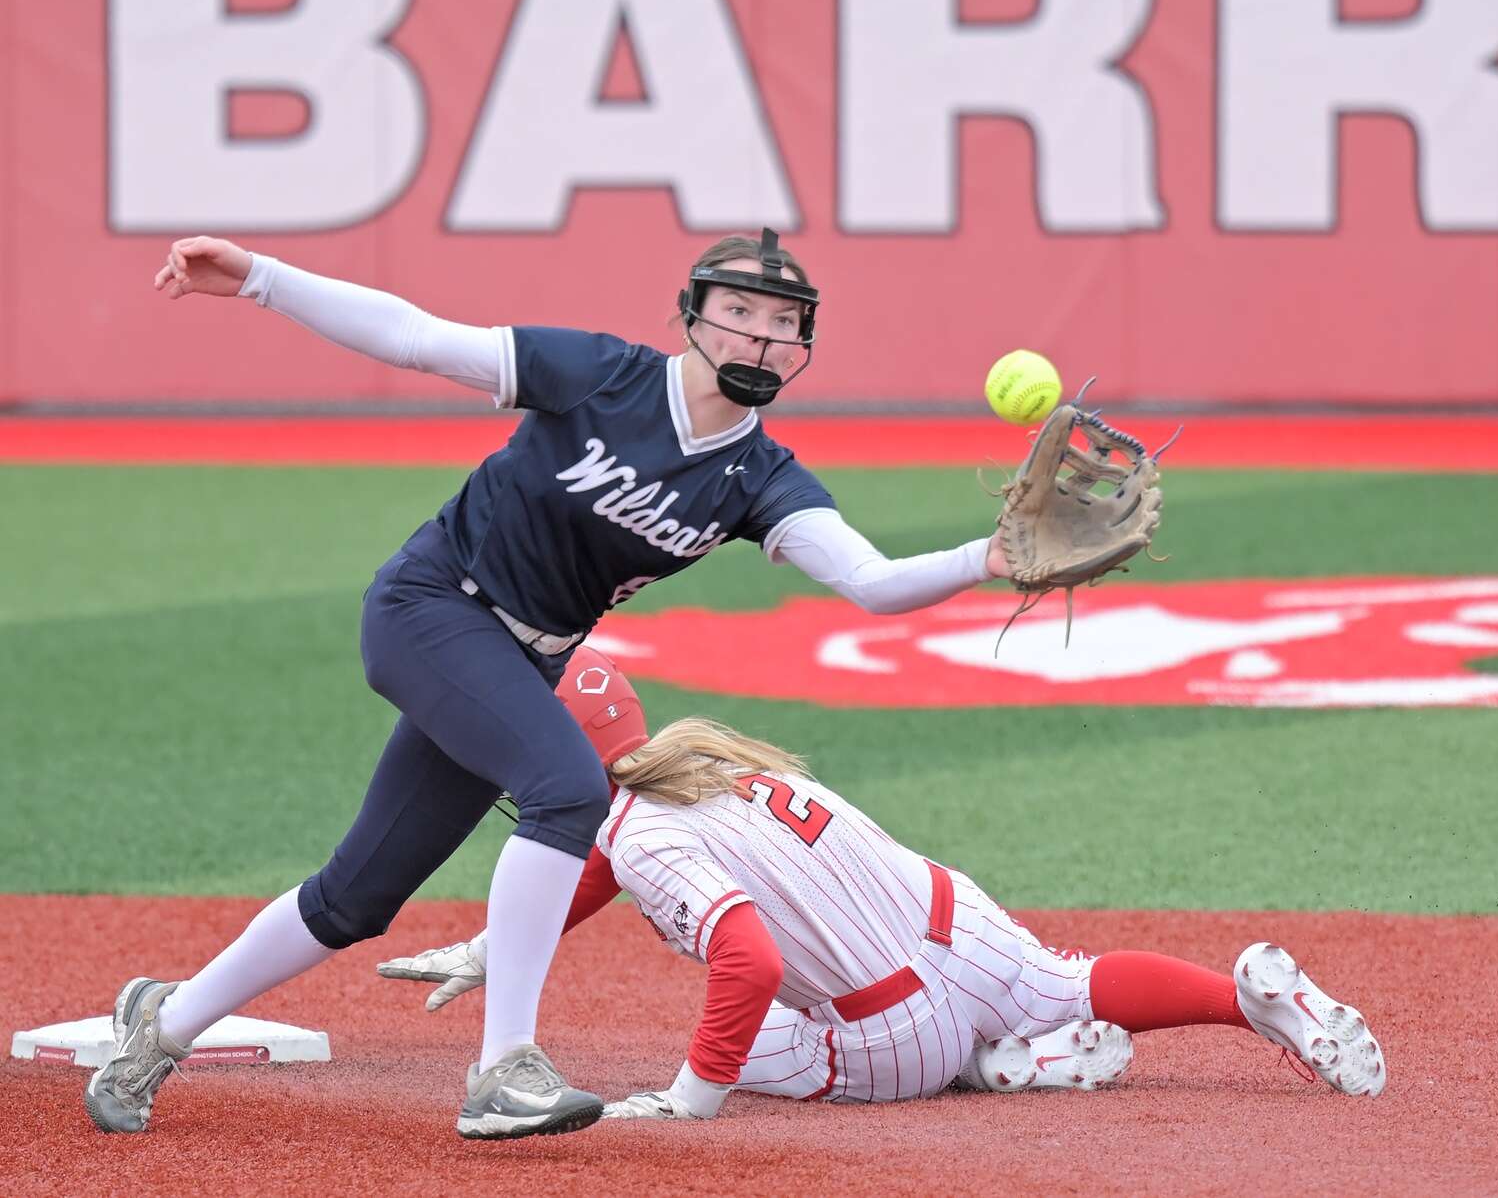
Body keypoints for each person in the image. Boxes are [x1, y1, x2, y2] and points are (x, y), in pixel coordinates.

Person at [85, 230, 1014, 1140]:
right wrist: (258, 277)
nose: (760, 336)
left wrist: (990, 555)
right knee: (568, 789)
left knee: (356, 898)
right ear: (693, 316)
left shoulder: (758, 476)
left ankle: (161, 1025)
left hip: (524, 659)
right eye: (739, 310)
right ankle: (503, 1068)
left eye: (782, 321)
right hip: (431, 605)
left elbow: (872, 581)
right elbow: (414, 337)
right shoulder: (602, 375)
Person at [379, 652, 1388, 1115]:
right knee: (1071, 982)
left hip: (889, 1033)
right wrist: (498, 945)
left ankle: (988, 1068)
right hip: (967, 931)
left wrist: (690, 1097)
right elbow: (599, 859)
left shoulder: (641, 833)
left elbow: (746, 960)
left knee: (747, 1046)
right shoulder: (706, 755)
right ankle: (1244, 1001)